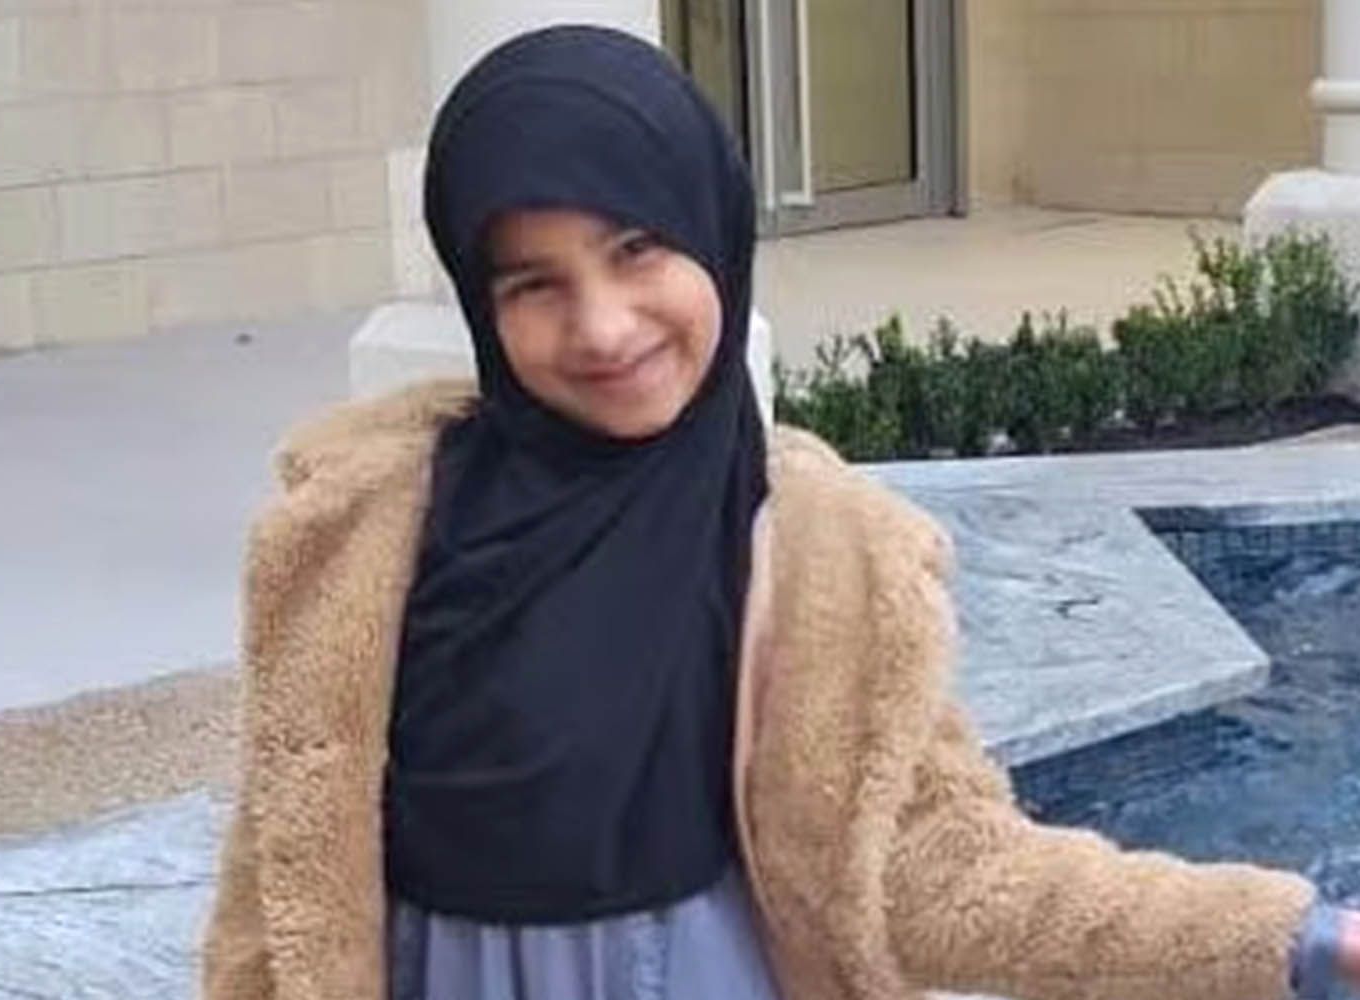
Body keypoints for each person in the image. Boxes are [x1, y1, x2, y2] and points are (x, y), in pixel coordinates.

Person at [202, 24, 1359, 1000]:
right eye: (533, 282)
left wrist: (1292, 939)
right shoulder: (367, 536)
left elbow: (938, 863)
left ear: (711, 227)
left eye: (635, 249)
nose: (601, 325)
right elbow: (279, 885)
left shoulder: (817, 552)